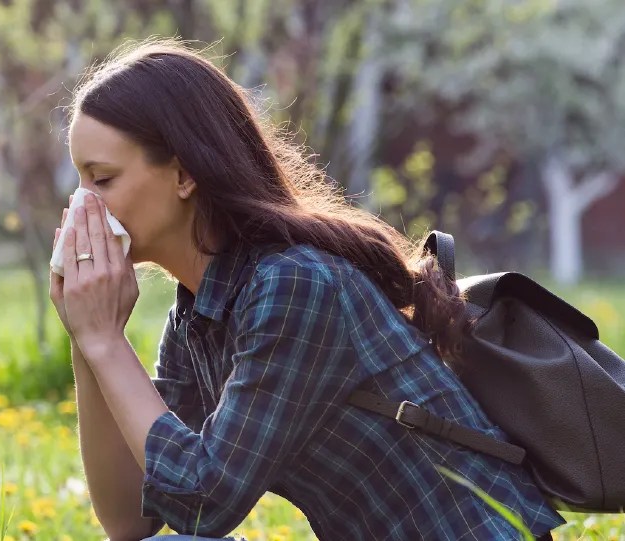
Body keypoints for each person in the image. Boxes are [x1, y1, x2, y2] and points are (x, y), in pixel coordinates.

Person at [48, 40, 565, 541]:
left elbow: (205, 503)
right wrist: (87, 337)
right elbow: (129, 522)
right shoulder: (197, 317)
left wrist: (107, 342)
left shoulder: (293, 284)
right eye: (80, 181)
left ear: (183, 174)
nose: (81, 205)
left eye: (102, 179)